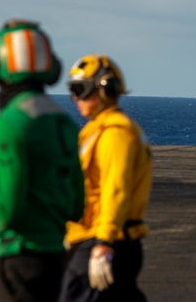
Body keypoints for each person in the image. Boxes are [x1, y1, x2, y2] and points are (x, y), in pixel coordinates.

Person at [0, 19, 84, 302]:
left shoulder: (8, 126)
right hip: (55, 261)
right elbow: (76, 206)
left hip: (14, 264)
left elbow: (3, 212)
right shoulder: (63, 124)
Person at [60, 55, 152, 302]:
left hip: (105, 240)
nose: (74, 98)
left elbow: (115, 189)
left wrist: (103, 244)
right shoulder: (98, 131)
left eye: (79, 90)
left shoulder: (114, 135)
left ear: (104, 89)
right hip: (103, 239)